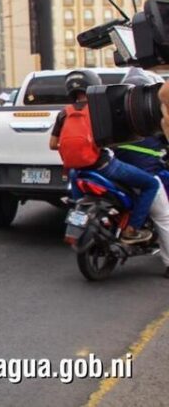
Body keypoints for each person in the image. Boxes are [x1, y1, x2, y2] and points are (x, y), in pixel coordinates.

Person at [49, 70, 160, 244]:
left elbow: (52, 144)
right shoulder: (99, 110)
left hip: (76, 171)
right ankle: (132, 229)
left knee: (78, 203)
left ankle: (77, 223)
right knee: (150, 184)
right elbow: (112, 140)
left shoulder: (64, 113)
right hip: (104, 166)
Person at [114, 67, 169, 278]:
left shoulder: (115, 113)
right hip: (144, 172)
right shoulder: (153, 116)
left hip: (116, 171)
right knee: (164, 216)